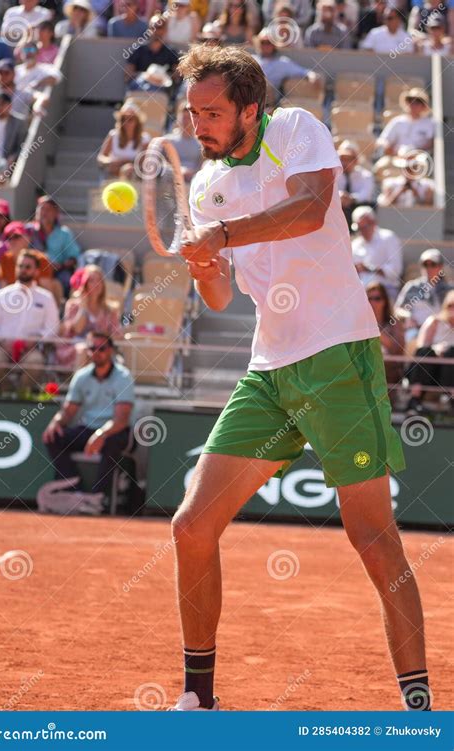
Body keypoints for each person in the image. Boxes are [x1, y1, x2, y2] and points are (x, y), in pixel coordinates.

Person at [169, 44, 429, 713]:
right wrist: (205, 266)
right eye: (193, 111)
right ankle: (199, 698)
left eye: (214, 112)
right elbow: (224, 298)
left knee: (372, 536)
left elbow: (311, 208)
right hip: (269, 371)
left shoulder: (295, 131)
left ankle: (418, 705)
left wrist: (222, 235)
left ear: (251, 109)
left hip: (340, 355)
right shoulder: (205, 187)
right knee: (192, 526)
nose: (200, 124)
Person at [42, 331, 135, 503]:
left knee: (111, 442)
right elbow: (68, 411)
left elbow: (122, 419)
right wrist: (56, 422)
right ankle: (73, 489)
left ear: (111, 351)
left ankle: (97, 497)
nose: (96, 352)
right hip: (87, 430)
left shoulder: (123, 377)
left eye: (102, 348)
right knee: (53, 437)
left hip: (116, 430)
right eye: (92, 348)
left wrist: (101, 434)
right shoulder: (81, 376)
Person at [0, 249, 59, 392]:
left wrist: (36, 339)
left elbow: (53, 328)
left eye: (28, 267)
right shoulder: (2, 295)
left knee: (35, 364)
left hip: (32, 349)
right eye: (20, 266)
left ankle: (22, 396)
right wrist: (3, 341)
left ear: (37, 271)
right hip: (1, 345)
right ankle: (8, 394)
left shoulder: (46, 298)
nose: (23, 270)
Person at [57, 264, 122, 368]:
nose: (97, 284)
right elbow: (77, 330)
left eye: (99, 280)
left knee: (98, 353)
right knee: (84, 350)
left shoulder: (111, 310)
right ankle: (79, 384)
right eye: (92, 280)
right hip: (75, 350)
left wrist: (99, 342)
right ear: (84, 283)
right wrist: (83, 307)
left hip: (101, 351)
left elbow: (117, 335)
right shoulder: (73, 305)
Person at [405, 290, 454, 413]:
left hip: (448, 370)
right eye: (450, 305)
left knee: (451, 353)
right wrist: (437, 350)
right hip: (429, 369)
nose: (452, 309)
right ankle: (415, 399)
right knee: (425, 351)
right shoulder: (434, 322)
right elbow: (421, 347)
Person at [27, 195, 81, 297]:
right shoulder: (29, 231)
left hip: (57, 272)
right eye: (42, 208)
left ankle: (60, 308)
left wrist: (60, 266)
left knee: (66, 279)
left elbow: (74, 257)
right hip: (34, 270)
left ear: (56, 214)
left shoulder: (64, 233)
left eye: (48, 209)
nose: (44, 213)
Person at [395, 248, 452, 342]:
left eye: (433, 264)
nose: (428, 268)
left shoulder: (450, 289)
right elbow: (397, 310)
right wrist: (408, 316)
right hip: (416, 331)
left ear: (441, 267)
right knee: (411, 338)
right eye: (425, 265)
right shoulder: (411, 286)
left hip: (443, 332)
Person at [253, 27, 320, 103]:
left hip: (268, 100)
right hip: (251, 95)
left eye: (268, 42)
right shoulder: (251, 59)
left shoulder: (282, 62)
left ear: (274, 44)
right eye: (263, 42)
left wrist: (312, 76)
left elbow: (303, 71)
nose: (265, 45)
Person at [351, 206, 402, 301]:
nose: (362, 231)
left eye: (364, 227)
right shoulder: (355, 244)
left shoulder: (388, 238)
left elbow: (395, 270)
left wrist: (369, 268)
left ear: (373, 223)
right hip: (359, 293)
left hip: (385, 292)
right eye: (359, 228)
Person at [366, 281, 405, 399]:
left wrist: (376, 330)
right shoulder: (358, 324)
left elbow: (398, 350)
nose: (373, 302)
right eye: (369, 298)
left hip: (388, 371)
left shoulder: (394, 323)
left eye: (377, 298)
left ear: (385, 301)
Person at [97, 101, 148, 179]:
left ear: (137, 122)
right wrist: (110, 162)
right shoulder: (113, 135)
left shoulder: (145, 139)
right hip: (113, 176)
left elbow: (145, 163)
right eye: (123, 119)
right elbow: (101, 157)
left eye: (131, 119)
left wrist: (126, 163)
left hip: (134, 179)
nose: (126, 122)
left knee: (128, 169)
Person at [377, 88, 434, 157]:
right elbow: (382, 140)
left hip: (419, 160)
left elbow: (430, 144)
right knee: (381, 166)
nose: (413, 105)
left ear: (423, 106)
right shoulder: (397, 121)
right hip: (396, 158)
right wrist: (387, 146)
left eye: (417, 102)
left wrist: (415, 152)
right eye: (410, 101)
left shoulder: (429, 124)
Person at [124, 19, 179, 86]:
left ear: (165, 30)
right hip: (141, 88)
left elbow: (177, 77)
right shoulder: (138, 50)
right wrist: (147, 76)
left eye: (159, 27)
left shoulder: (171, 52)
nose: (156, 31)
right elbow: (127, 76)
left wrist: (161, 77)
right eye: (153, 27)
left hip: (162, 89)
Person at [336, 140, 375, 226]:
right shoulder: (333, 175)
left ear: (356, 160)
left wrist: (351, 199)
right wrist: (340, 196)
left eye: (349, 159)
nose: (345, 162)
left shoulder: (366, 175)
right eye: (342, 158)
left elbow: (366, 195)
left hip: (357, 207)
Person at [167, 102, 202, 182]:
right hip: (172, 179)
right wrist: (178, 171)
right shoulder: (169, 141)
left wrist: (193, 173)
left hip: (194, 180)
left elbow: (202, 164)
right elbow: (161, 162)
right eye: (183, 117)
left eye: (188, 118)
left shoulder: (201, 143)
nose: (186, 121)